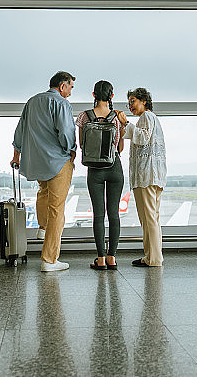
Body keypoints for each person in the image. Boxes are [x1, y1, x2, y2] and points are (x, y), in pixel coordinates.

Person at [11, 71, 77, 272]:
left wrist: (16, 156)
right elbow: (66, 132)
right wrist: (70, 150)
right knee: (57, 209)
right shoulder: (62, 104)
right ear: (62, 85)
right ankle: (50, 260)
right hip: (57, 162)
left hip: (37, 162)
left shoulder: (32, 102)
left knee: (44, 193)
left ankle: (43, 227)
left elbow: (19, 131)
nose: (71, 93)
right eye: (71, 88)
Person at [75, 80, 126, 271]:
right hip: (114, 167)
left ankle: (101, 259)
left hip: (94, 169)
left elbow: (82, 145)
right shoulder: (116, 118)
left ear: (93, 94)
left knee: (98, 214)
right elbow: (120, 147)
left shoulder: (84, 116)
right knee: (114, 214)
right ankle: (112, 257)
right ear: (112, 96)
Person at [118, 87, 166, 267]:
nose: (130, 105)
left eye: (133, 101)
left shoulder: (146, 117)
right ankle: (152, 256)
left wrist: (125, 123)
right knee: (151, 218)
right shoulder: (152, 118)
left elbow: (142, 137)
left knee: (149, 219)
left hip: (146, 176)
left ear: (144, 101)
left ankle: (153, 258)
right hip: (154, 176)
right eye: (129, 102)